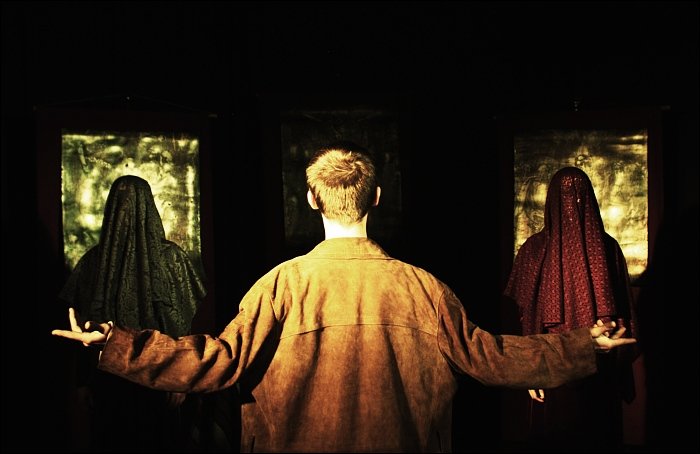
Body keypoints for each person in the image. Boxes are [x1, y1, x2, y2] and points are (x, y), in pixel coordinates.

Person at [53, 142, 637, 453]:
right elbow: (491, 357)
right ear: (376, 197)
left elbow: (216, 363)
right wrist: (584, 345)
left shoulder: (280, 286)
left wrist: (114, 344)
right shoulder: (423, 287)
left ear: (312, 200)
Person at [58, 174, 207, 452]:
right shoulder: (169, 258)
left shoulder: (95, 261)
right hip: (127, 379)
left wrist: (180, 380)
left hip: (144, 379)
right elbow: (81, 327)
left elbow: (184, 326)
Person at [503, 166, 639, 452]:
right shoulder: (534, 249)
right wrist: (529, 370)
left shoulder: (608, 248)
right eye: (565, 196)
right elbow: (521, 313)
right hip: (552, 368)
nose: (572, 204)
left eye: (579, 197)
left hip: (598, 367)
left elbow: (624, 313)